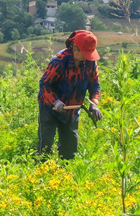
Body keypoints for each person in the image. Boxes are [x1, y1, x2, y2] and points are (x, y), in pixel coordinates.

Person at [37, 30, 102, 160]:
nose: (87, 57)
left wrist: (94, 104)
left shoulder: (90, 62)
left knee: (70, 149)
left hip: (72, 110)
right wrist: (56, 102)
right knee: (46, 146)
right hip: (50, 107)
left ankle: (64, 175)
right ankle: (41, 173)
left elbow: (95, 85)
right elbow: (44, 84)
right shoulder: (59, 61)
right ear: (74, 48)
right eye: (85, 53)